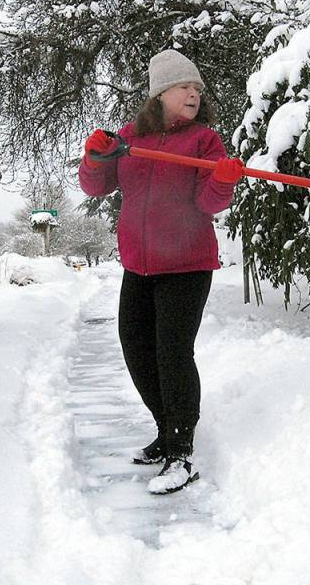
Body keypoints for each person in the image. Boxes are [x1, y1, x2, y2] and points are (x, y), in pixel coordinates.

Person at [78, 49, 244, 495]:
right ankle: (164, 428)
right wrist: (95, 157)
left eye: (197, 88)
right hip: (139, 264)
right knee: (136, 348)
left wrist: (223, 180)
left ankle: (180, 451)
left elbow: (208, 203)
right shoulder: (131, 139)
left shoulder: (204, 142)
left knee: (172, 353)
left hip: (186, 264)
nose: (194, 93)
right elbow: (95, 186)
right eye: (184, 86)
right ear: (161, 93)